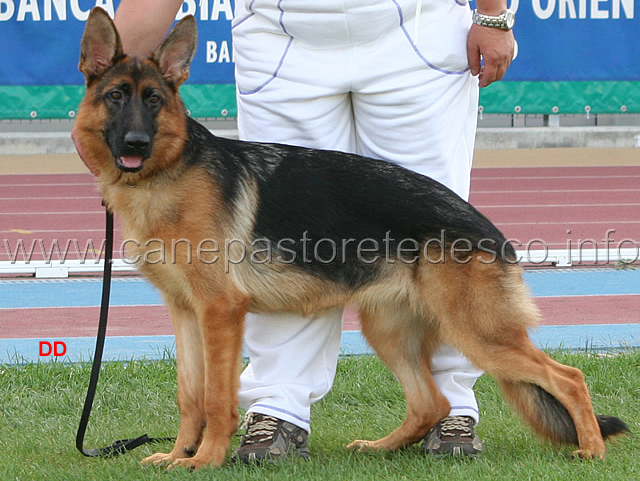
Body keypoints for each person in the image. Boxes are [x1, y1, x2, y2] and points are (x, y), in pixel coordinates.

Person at [75, 0, 515, 464]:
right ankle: (277, 406)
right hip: (282, 39)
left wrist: (491, 16)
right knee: (272, 241)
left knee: (432, 232)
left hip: (414, 29)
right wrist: (99, 108)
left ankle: (451, 407)